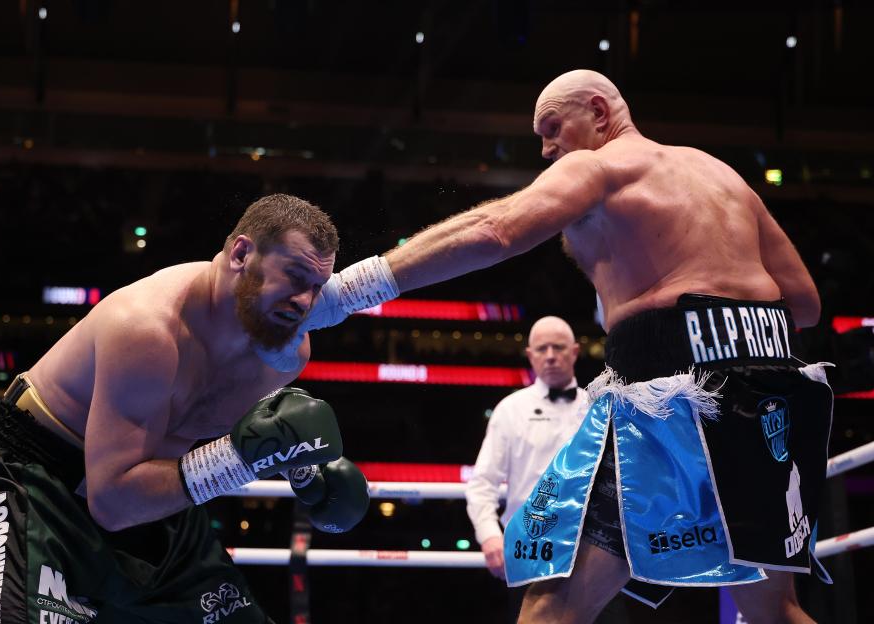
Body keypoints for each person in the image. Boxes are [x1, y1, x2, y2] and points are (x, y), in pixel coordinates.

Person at [276, 70, 831, 623]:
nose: (546, 149)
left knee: (552, 604)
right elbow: (804, 304)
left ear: (599, 111)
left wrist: (348, 292)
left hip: (671, 396)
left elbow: (495, 229)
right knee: (774, 611)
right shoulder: (723, 176)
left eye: (552, 127)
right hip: (767, 396)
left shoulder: (599, 165)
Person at [0, 194, 371, 624]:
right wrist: (239, 459)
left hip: (154, 494)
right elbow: (114, 502)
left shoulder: (279, 349)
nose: (305, 301)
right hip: (36, 481)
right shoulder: (147, 328)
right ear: (242, 254)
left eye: (316, 286)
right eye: (294, 276)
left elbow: (243, 424)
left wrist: (304, 470)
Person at [466, 316, 590, 621]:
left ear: (574, 352)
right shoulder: (511, 409)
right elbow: (482, 481)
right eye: (542, 348)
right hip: (527, 548)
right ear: (530, 355)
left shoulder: (596, 406)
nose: (550, 355)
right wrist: (489, 535)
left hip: (589, 548)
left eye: (558, 347)